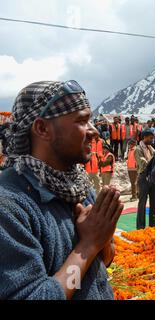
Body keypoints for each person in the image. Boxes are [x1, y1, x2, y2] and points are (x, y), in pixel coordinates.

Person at [0, 80, 122, 299]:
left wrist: (103, 240)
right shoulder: (9, 206)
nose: (94, 131)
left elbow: (102, 263)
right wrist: (87, 246)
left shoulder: (78, 187)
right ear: (42, 128)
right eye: (82, 121)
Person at [135, 129, 155, 229]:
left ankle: (153, 225)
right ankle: (140, 227)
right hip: (143, 177)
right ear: (144, 137)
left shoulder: (151, 149)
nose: (152, 140)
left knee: (154, 202)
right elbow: (143, 164)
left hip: (152, 177)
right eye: (150, 138)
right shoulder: (138, 149)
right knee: (142, 203)